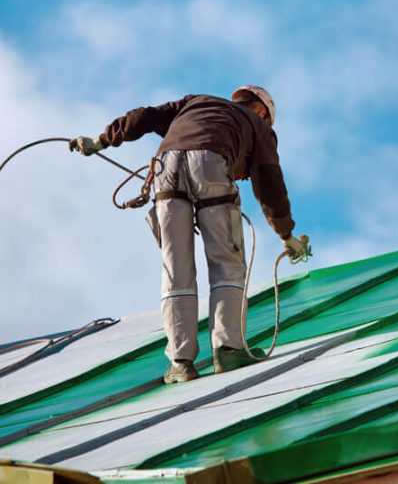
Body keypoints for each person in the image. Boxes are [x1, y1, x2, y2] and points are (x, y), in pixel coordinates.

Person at [70, 86, 306, 383]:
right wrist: (286, 235)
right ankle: (229, 350)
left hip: (165, 170)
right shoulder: (259, 126)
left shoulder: (195, 102)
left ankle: (181, 363)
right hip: (211, 165)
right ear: (262, 111)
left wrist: (101, 141)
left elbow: (144, 117)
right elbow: (269, 182)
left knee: (175, 267)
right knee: (227, 264)